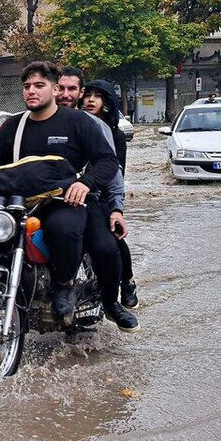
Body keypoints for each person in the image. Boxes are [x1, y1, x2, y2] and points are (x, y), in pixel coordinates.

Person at [0, 62, 133, 331]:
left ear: (54, 90)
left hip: (66, 200)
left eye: (39, 85)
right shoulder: (13, 126)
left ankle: (71, 287)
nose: (31, 91)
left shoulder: (79, 122)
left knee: (79, 235)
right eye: (27, 86)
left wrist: (87, 184)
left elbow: (107, 162)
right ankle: (15, 278)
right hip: (21, 200)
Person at [57, 68, 138, 326]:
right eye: (61, 88)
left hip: (91, 196)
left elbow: (113, 170)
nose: (65, 94)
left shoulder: (98, 127)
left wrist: (115, 208)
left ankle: (114, 296)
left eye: (72, 89)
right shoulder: (28, 121)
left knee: (107, 244)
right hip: (44, 199)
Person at [82, 81, 139, 311]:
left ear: (106, 103)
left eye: (97, 96)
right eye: (87, 95)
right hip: (76, 191)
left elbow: (116, 171)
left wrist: (114, 205)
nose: (91, 100)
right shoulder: (74, 124)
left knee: (114, 236)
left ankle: (127, 282)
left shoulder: (114, 134)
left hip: (102, 192)